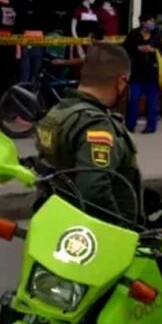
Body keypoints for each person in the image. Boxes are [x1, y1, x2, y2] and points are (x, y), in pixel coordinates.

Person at [34, 44, 143, 225]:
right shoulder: (96, 125)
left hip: (60, 220)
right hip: (94, 236)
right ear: (121, 81)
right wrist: (124, 231)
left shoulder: (58, 111)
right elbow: (94, 189)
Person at [123, 14, 162, 134]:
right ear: (142, 22)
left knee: (152, 101)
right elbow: (125, 49)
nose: (151, 23)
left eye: (152, 21)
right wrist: (138, 49)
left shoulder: (156, 35)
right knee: (133, 100)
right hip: (136, 73)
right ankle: (130, 125)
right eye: (149, 21)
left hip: (152, 73)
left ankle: (151, 126)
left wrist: (153, 50)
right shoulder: (134, 34)